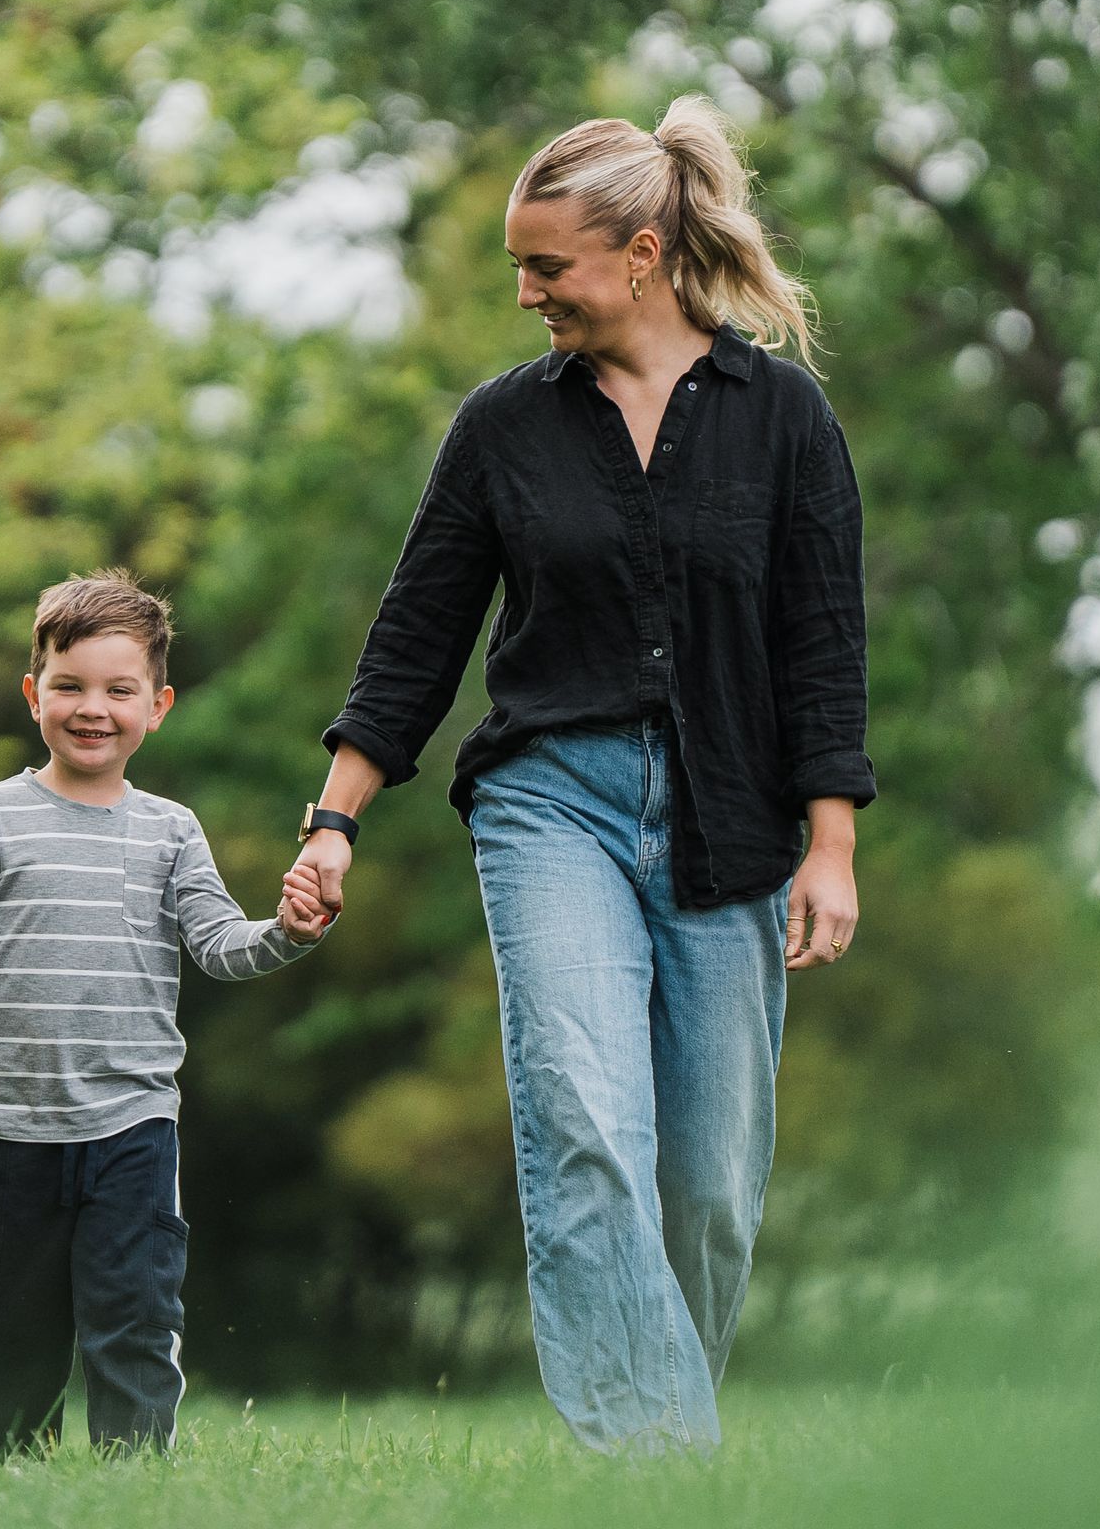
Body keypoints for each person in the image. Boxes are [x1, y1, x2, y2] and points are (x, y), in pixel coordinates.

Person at [287, 96, 870, 1453]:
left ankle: (663, 1429)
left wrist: (830, 841)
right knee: (587, 1130)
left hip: (734, 820)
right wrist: (334, 823)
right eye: (518, 267)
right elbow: (418, 637)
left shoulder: (783, 420)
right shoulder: (504, 428)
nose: (526, 292)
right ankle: (658, 1463)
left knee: (714, 1185)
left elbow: (824, 642)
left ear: (646, 253)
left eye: (546, 267)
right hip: (553, 803)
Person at [0, 570, 332, 1455]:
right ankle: (1, 1482)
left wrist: (288, 931)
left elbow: (216, 943)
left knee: (133, 1309)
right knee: (19, 1320)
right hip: (14, 1123)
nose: (93, 708)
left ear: (157, 705)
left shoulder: (170, 830)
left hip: (133, 1122)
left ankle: (133, 1479)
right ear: (34, 694)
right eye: (70, 686)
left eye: (118, 690)